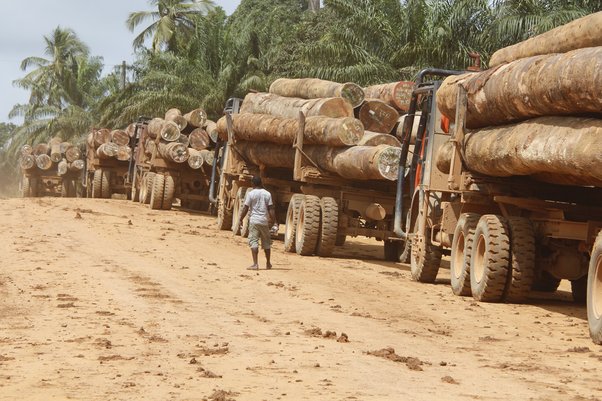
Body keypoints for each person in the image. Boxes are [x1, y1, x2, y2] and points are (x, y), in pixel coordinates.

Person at [239, 176, 276, 270]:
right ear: (260, 183)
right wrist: (273, 221)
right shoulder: (267, 194)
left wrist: (240, 219)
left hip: (254, 221)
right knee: (267, 243)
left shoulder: (251, 194)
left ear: (253, 183)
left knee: (254, 241)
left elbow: (246, 207)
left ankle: (255, 264)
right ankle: (268, 263)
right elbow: (271, 208)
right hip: (264, 221)